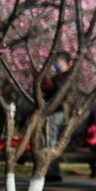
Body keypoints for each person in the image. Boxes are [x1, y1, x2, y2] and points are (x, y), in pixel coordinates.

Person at [42, 51, 71, 183]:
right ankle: (49, 171)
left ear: (64, 62)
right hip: (50, 111)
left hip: (56, 112)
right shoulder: (57, 77)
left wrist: (51, 85)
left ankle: (52, 172)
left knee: (50, 142)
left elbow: (60, 90)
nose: (55, 64)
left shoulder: (67, 77)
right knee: (47, 141)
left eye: (57, 61)